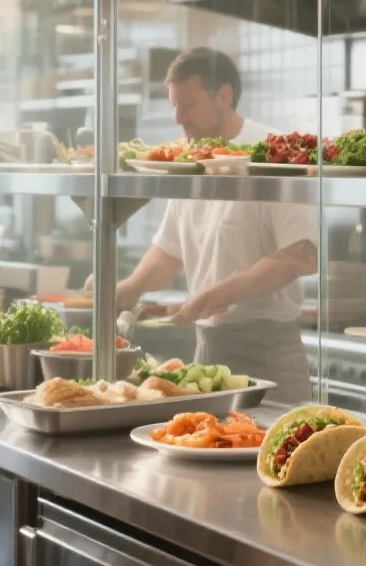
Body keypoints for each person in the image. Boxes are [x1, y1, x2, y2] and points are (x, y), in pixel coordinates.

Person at [110, 48, 318, 397]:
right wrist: (127, 289)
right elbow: (169, 250)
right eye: (173, 105)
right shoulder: (190, 158)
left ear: (224, 96)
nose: (178, 118)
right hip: (207, 348)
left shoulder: (269, 153)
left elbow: (302, 254)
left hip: (269, 352)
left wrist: (222, 292)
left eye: (188, 106)